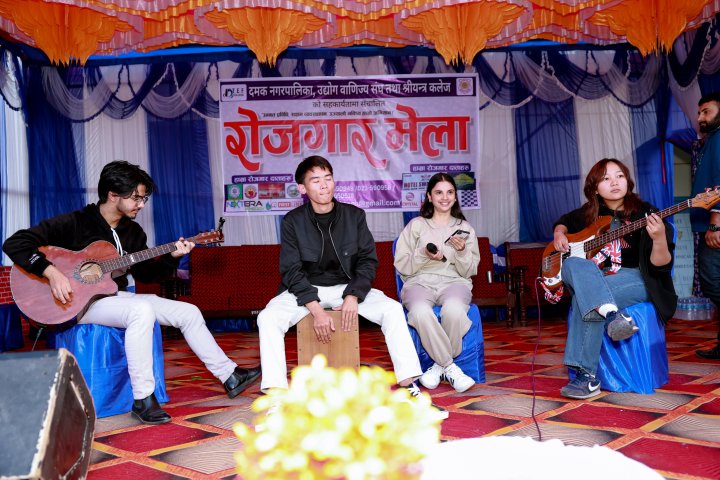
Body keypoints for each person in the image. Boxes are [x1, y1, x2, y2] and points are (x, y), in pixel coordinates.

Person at [2, 161, 261, 424]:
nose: (141, 204)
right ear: (113, 195)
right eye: (136, 198)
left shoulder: (132, 232)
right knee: (141, 310)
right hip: (75, 304)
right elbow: (15, 243)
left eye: (144, 198)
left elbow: (147, 274)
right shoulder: (75, 223)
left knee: (188, 312)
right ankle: (143, 398)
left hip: (114, 299)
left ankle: (229, 375)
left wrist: (172, 256)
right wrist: (51, 272)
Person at [256, 156, 435, 411]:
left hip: (346, 287)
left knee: (393, 310)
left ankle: (408, 386)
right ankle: (276, 396)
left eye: (328, 178)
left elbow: (368, 262)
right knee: (268, 318)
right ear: (303, 188)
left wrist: (353, 295)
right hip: (305, 289)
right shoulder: (293, 221)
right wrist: (316, 309)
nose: (324, 185)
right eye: (315, 180)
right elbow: (291, 270)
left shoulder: (354, 216)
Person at [552, 158, 676, 399]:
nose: (614, 182)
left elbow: (661, 265)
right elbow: (563, 222)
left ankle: (586, 377)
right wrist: (559, 234)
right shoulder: (588, 214)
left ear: (627, 181)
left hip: (639, 278)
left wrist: (659, 237)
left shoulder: (647, 213)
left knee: (583, 298)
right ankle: (611, 314)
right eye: (606, 178)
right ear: (595, 188)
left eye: (619, 176)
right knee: (572, 263)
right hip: (597, 277)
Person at [394, 173, 480, 393]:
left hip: (455, 282)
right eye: (439, 192)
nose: (445, 197)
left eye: (450, 192)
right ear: (429, 196)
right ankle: (449, 366)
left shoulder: (465, 228)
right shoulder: (416, 225)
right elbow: (402, 265)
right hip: (419, 283)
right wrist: (423, 253)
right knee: (420, 312)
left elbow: (470, 271)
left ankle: (438, 367)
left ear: (455, 196)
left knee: (454, 311)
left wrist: (462, 252)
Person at [692, 92, 720, 360]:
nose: (701, 117)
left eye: (707, 111)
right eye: (699, 112)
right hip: (709, 224)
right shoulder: (712, 139)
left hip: (716, 225)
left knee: (712, 282)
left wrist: (715, 222)